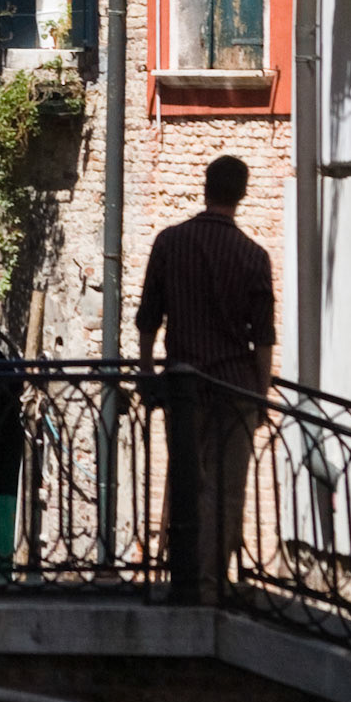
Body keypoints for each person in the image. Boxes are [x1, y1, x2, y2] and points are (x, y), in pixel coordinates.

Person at [136, 155, 276, 601]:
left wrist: (146, 373)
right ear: (242, 194)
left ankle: (182, 580)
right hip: (235, 390)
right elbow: (264, 339)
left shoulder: (169, 243)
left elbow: (147, 319)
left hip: (184, 384)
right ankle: (211, 587)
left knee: (186, 483)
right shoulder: (254, 257)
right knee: (226, 492)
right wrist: (261, 396)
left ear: (205, 187)